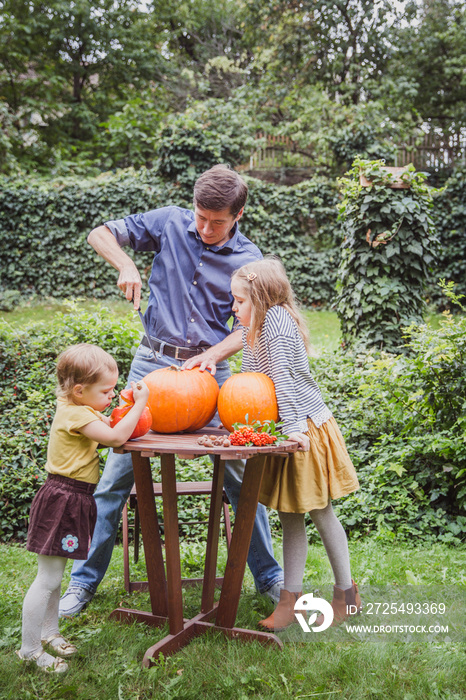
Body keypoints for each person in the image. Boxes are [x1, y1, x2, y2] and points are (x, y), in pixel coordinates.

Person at [59, 165, 284, 618]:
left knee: (243, 475)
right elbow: (99, 233)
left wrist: (215, 354)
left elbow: (254, 324)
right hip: (152, 364)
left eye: (216, 222)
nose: (204, 228)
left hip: (210, 370)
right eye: (200, 217)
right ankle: (82, 583)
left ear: (238, 215)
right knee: (115, 477)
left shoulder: (250, 259)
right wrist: (125, 262)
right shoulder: (168, 221)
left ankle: (269, 577)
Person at [227, 257, 361, 631]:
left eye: (239, 301)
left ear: (261, 296)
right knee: (289, 515)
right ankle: (290, 600)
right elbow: (251, 382)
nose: (234, 308)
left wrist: (294, 430)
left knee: (321, 512)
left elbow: (284, 382)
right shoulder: (258, 325)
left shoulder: (277, 324)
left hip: (303, 428)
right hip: (286, 428)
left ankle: (345, 593)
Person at [17, 344, 149, 672]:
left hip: (73, 498)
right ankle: (29, 648)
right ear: (79, 390)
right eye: (106, 391)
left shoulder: (81, 408)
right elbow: (117, 437)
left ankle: (49, 633)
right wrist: (141, 404)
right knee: (47, 579)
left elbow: (109, 430)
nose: (112, 395)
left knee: (56, 576)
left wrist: (121, 406)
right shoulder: (76, 414)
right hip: (62, 499)